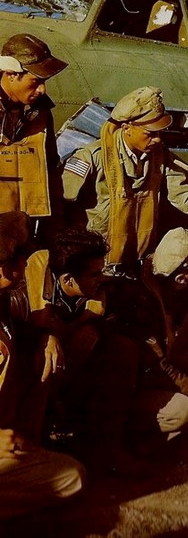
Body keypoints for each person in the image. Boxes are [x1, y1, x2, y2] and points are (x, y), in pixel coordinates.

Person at [62, 86, 188, 274]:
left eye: (160, 133)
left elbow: (185, 197)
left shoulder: (160, 157)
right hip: (97, 267)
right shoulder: (91, 158)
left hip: (138, 265)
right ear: (127, 128)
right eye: (150, 133)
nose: (157, 140)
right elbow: (63, 208)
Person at [22, 230, 144, 473]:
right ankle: (32, 453)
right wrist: (46, 335)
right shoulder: (25, 291)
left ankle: (105, 446)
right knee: (44, 360)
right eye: (95, 274)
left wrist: (94, 326)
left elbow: (116, 317)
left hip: (79, 374)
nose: (101, 278)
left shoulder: (103, 290)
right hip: (35, 379)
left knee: (123, 349)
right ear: (69, 280)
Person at [0, 211, 85, 520]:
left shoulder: (2, 300)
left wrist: (46, 336)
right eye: (22, 259)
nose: (27, 266)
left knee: (70, 476)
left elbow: (19, 333)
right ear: (4, 267)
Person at [111, 227, 188, 442]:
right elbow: (161, 369)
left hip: (169, 368)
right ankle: (132, 440)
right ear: (182, 278)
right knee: (182, 411)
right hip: (146, 383)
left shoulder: (184, 284)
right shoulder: (139, 299)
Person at [0, 33, 67, 245]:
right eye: (36, 81)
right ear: (11, 74)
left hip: (29, 228)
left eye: (44, 82)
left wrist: (54, 226)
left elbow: (51, 168)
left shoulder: (42, 113)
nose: (42, 90)